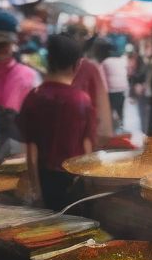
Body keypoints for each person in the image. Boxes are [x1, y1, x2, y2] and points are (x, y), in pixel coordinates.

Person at [17, 34, 97, 210]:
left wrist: (36, 189)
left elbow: (31, 149)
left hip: (44, 179)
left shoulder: (34, 96)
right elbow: (86, 145)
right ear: (76, 65)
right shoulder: (81, 99)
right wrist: (90, 185)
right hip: (74, 181)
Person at [0, 9, 39, 153]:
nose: (1, 49)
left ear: (13, 43)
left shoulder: (29, 75)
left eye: (5, 44)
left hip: (19, 148)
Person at [96, 37, 130, 132]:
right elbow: (127, 73)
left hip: (111, 91)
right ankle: (121, 127)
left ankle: (110, 130)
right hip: (123, 89)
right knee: (120, 110)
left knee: (110, 111)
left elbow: (102, 79)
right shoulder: (123, 60)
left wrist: (103, 92)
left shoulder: (104, 62)